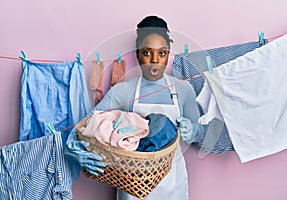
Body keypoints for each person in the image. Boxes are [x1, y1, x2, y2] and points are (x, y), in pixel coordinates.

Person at [64, 15, 204, 200]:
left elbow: (201, 134)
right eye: (147, 53)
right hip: (131, 187)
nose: (154, 60)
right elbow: (87, 126)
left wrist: (194, 130)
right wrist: (74, 151)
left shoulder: (183, 89)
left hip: (173, 185)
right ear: (138, 54)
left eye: (161, 53)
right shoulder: (123, 91)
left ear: (169, 54)